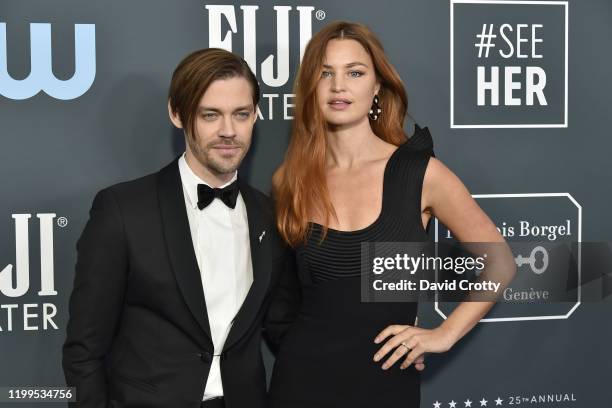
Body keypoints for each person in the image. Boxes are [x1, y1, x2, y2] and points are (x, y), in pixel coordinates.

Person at [266, 21, 515, 408]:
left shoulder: (421, 174)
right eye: (325, 73)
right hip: (300, 381)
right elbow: (283, 295)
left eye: (355, 72)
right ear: (310, 87)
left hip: (384, 383)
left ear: (377, 85)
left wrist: (444, 333)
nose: (338, 86)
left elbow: (500, 262)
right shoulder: (289, 180)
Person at [62, 48, 289, 408]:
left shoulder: (269, 215)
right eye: (210, 115)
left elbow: (286, 331)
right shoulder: (123, 211)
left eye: (241, 114)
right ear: (177, 113)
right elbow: (84, 351)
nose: (229, 131)